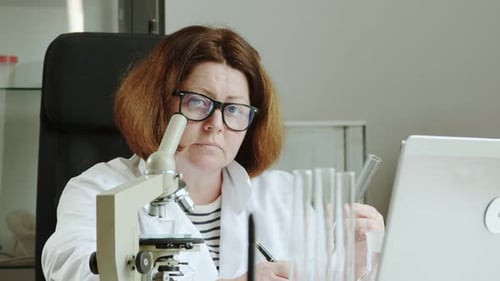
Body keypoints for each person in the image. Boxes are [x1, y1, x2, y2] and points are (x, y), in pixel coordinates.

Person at [42, 25, 384, 281]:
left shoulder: (283, 195)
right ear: (158, 104)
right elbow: (74, 269)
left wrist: (355, 263)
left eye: (234, 109)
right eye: (198, 102)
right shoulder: (98, 191)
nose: (216, 124)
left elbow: (325, 270)